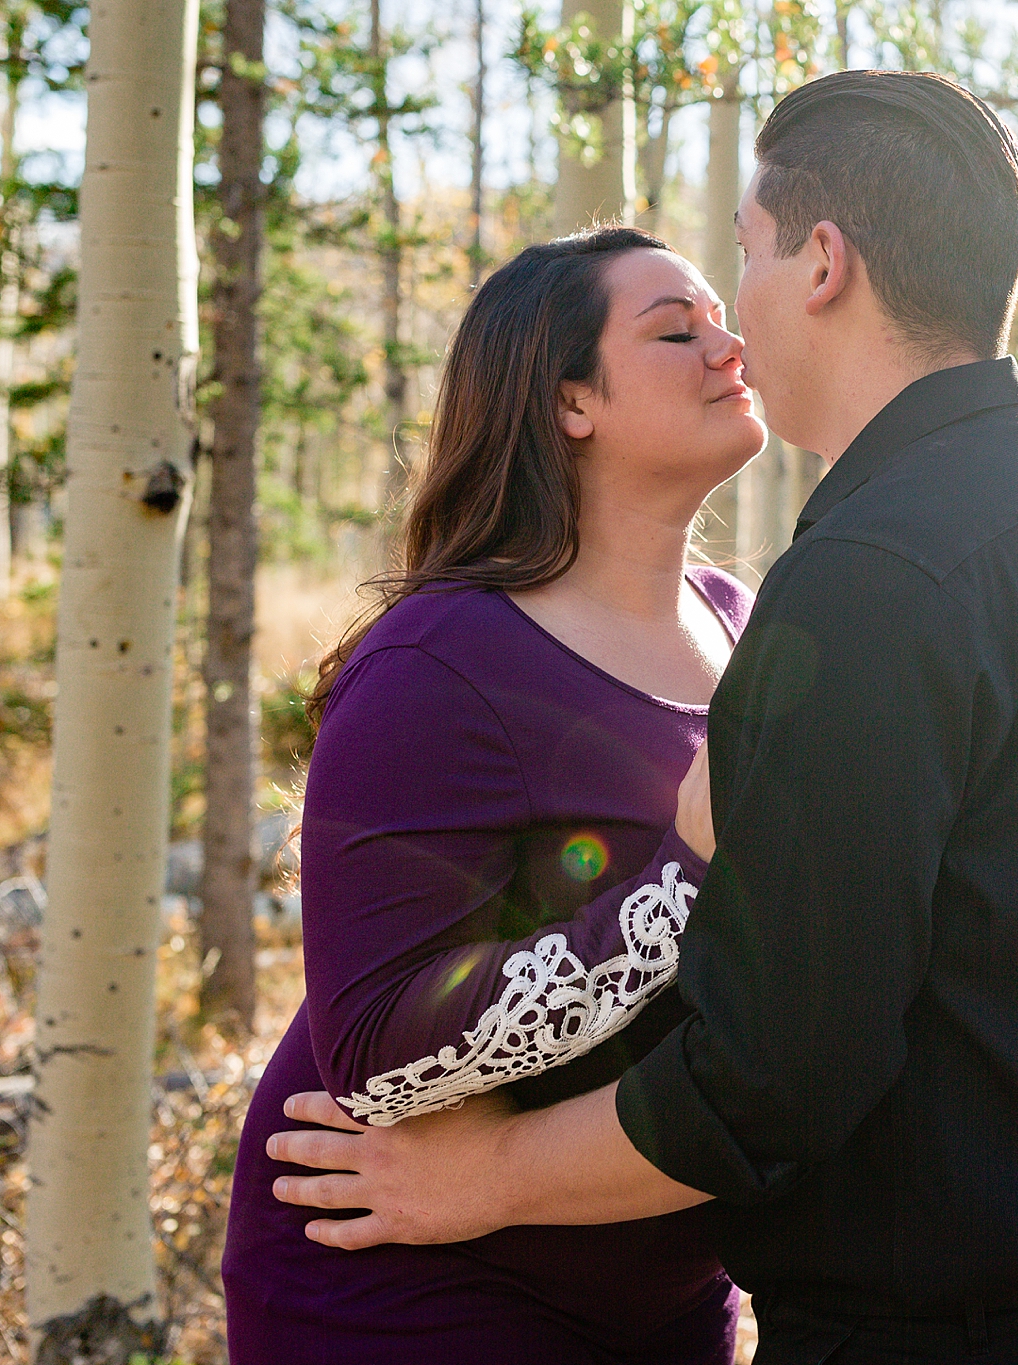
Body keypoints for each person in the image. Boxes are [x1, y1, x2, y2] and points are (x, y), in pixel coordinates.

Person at [269, 70, 1018, 1365]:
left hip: (945, 1324)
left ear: (822, 264)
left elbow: (767, 1080)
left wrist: (481, 1176)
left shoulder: (869, 577)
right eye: (682, 320)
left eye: (748, 263)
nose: (735, 327)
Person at [222, 227, 766, 1364]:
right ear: (571, 403)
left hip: (660, 1279)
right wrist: (681, 881)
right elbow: (373, 1052)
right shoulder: (441, 659)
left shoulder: (744, 617)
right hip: (408, 1279)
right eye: (677, 330)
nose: (730, 345)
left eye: (722, 318)